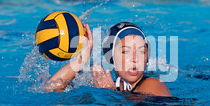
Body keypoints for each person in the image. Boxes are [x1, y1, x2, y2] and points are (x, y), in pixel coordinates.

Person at [44, 22, 172, 97]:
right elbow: (51, 89)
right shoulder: (107, 84)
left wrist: (109, 94)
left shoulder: (153, 84)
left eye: (141, 51)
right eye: (125, 51)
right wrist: (82, 59)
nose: (135, 59)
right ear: (110, 56)